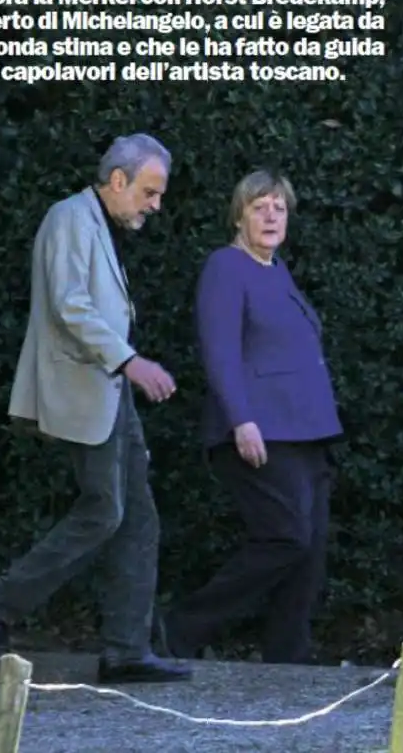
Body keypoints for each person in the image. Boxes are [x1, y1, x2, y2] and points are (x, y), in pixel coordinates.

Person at [0, 134, 192, 684]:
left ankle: (126, 649)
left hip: (107, 391)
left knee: (137, 515)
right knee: (105, 511)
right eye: (149, 192)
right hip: (91, 386)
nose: (155, 205)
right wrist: (131, 361)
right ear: (118, 180)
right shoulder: (69, 217)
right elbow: (70, 306)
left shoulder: (92, 221)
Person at [159, 169, 343, 665]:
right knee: (286, 536)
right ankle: (176, 630)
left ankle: (288, 654)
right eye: (259, 206)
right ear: (238, 214)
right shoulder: (226, 266)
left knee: (309, 551)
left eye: (279, 208)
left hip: (309, 432)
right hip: (262, 428)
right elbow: (219, 350)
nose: (270, 215)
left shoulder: (275, 269)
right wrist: (242, 419)